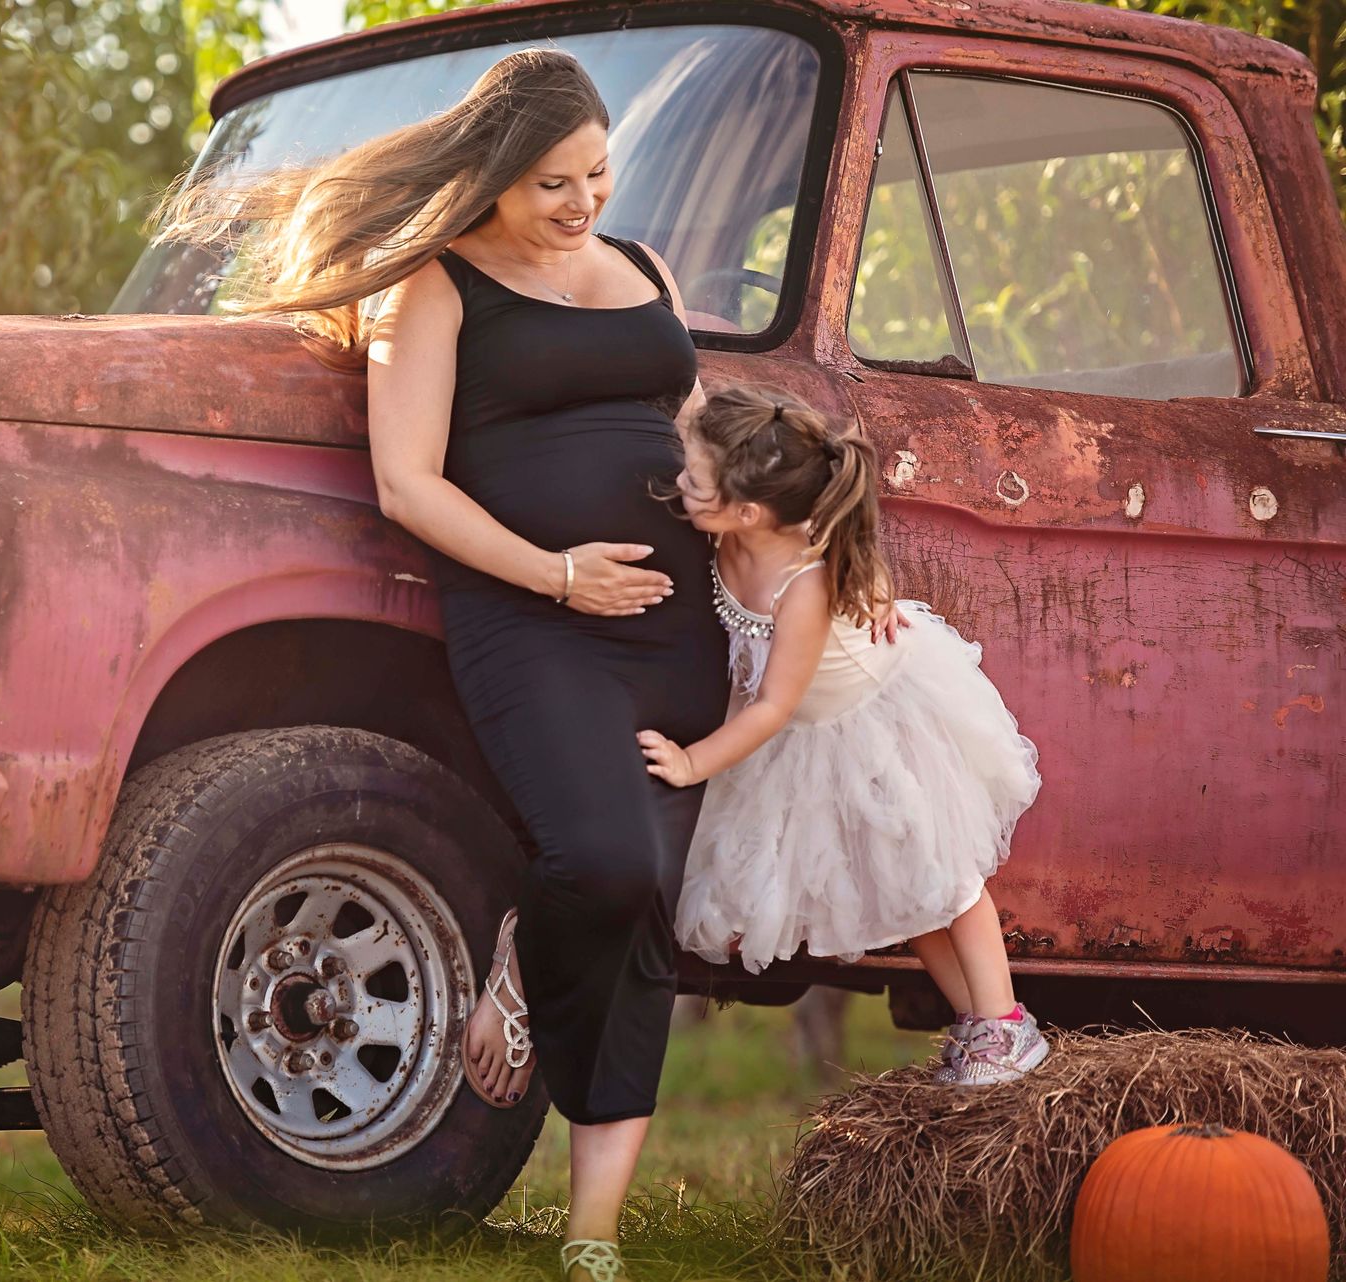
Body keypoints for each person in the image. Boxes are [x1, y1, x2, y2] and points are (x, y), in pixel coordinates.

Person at [155, 48, 721, 1280]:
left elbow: (694, 434)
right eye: (555, 182)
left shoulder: (646, 273)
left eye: (599, 172)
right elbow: (409, 484)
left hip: (676, 626)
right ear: (495, 177)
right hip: (537, 622)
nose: (585, 202)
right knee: (605, 862)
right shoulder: (436, 286)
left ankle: (595, 1234)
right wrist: (560, 573)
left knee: (642, 914)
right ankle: (522, 948)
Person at [637, 384, 1048, 1087]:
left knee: (948, 883)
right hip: (815, 732)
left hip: (875, 724)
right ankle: (974, 1025)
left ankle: (1008, 1023)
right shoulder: (738, 530)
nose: (681, 482)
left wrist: (691, 763)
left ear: (747, 512)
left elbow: (769, 708)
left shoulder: (801, 584)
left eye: (694, 478)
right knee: (909, 896)